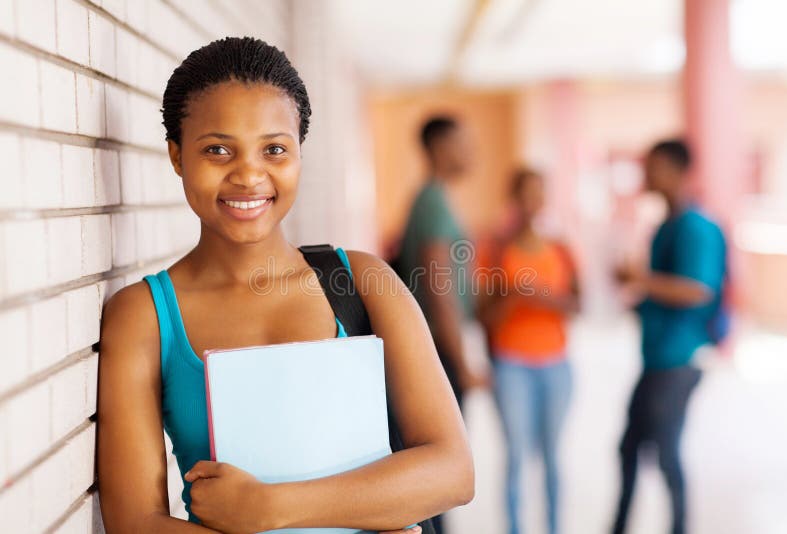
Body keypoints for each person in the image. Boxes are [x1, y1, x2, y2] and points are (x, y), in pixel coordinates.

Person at [97, 37, 473, 533]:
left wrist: (271, 508)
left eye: (274, 149)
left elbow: (453, 472)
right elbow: (135, 524)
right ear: (176, 155)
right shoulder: (144, 316)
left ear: (299, 153)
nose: (249, 174)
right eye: (217, 149)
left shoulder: (363, 282)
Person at [612, 140, 726, 534]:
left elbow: (698, 290)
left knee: (664, 454)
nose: (648, 176)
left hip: (679, 359)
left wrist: (640, 279)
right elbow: (663, 290)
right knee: (629, 449)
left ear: (679, 171)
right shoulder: (666, 226)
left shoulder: (697, 228)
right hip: (658, 356)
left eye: (655, 167)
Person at [395, 116, 489, 534]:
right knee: (441, 470)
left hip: (434, 348)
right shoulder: (432, 201)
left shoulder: (436, 198)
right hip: (436, 350)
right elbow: (439, 289)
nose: (470, 152)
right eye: (461, 143)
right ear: (438, 147)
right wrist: (461, 361)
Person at [478, 168, 579, 534]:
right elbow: (483, 314)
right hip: (512, 365)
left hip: (556, 364)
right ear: (514, 199)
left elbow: (578, 305)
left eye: (539, 193)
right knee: (517, 456)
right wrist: (513, 296)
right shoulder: (496, 248)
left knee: (552, 456)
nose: (532, 202)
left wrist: (545, 298)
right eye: (525, 193)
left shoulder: (561, 248)